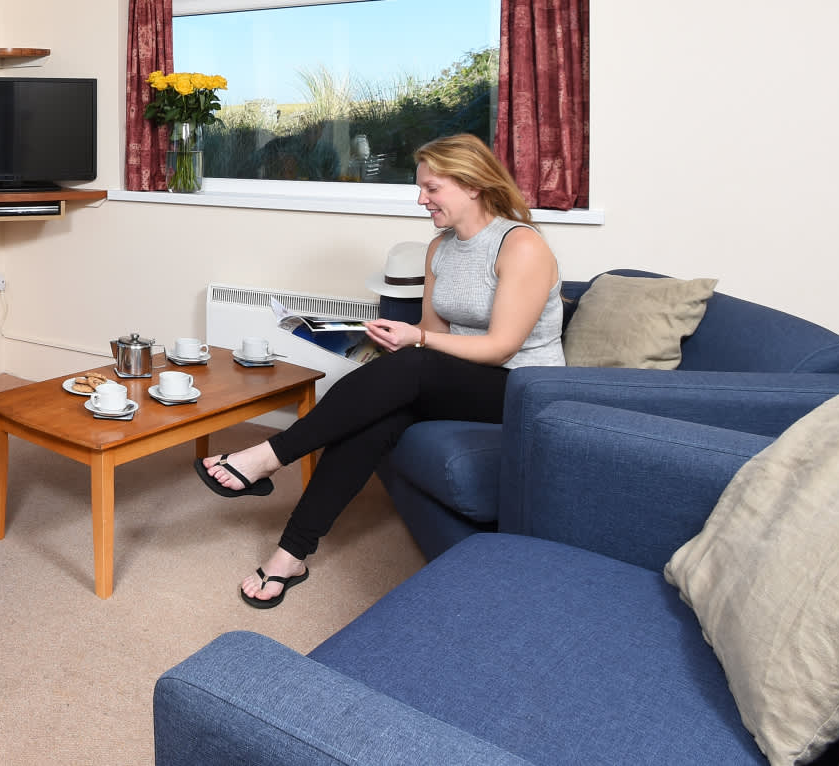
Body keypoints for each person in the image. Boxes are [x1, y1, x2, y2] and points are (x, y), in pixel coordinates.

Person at [195, 133, 564, 607]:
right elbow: (432, 332)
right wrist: (385, 339)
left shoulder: (521, 245)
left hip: (524, 387)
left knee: (411, 365)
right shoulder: (440, 249)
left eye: (432, 188)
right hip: (459, 380)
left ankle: (270, 455)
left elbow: (500, 347)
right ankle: (292, 555)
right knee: (376, 419)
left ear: (473, 184)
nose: (421, 198)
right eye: (420, 188)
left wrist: (419, 340)